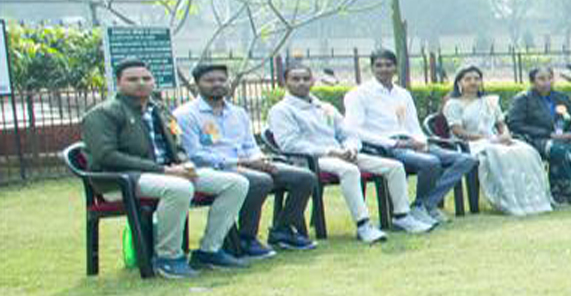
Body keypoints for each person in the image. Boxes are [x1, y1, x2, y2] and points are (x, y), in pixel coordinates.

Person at [81, 59, 251, 278]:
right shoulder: (102, 114)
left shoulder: (158, 109)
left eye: (146, 78)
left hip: (167, 173)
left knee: (236, 183)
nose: (141, 83)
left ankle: (209, 250)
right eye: (132, 79)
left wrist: (183, 164)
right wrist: (164, 171)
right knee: (179, 188)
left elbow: (177, 144)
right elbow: (107, 156)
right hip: (122, 179)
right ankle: (168, 258)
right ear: (118, 83)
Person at [174, 63, 319, 257]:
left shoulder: (238, 113)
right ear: (197, 84)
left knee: (304, 177)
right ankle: (246, 238)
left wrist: (260, 160)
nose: (217, 84)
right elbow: (195, 154)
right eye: (210, 81)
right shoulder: (185, 115)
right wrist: (242, 163)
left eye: (221, 80)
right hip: (215, 169)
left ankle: (283, 230)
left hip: (248, 163)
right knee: (260, 180)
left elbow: (250, 145)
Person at [268, 63, 408, 243]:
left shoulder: (324, 107)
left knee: (395, 167)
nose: (301, 83)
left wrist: (351, 148)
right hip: (311, 160)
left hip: (343, 155)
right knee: (349, 171)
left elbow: (347, 133)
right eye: (295, 79)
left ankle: (402, 216)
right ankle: (364, 225)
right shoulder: (281, 110)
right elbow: (290, 145)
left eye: (305, 78)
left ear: (313, 81)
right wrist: (331, 152)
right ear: (285, 82)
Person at [343, 49, 468, 231]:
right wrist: (395, 143)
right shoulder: (358, 95)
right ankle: (419, 209)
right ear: (372, 68)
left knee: (465, 159)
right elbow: (354, 129)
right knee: (431, 163)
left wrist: (420, 142)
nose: (384, 69)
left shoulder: (403, 94)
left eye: (388, 65)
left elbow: (413, 125)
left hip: (411, 144)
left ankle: (422, 205)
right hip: (384, 147)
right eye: (379, 65)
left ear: (395, 67)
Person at [441, 66, 554, 216]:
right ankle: (508, 200)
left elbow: (501, 125)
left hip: (495, 139)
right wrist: (486, 139)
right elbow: (457, 131)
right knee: (501, 154)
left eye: (476, 78)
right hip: (470, 144)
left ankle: (531, 199)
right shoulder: (453, 104)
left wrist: (505, 135)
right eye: (468, 79)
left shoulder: (489, 102)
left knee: (526, 151)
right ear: (459, 83)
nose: (473, 82)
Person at [507, 67, 571, 204]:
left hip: (567, 137)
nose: (546, 82)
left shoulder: (561, 97)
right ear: (532, 82)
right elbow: (515, 124)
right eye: (541, 79)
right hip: (539, 139)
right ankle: (563, 192)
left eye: (550, 78)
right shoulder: (523, 99)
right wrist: (549, 134)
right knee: (561, 151)